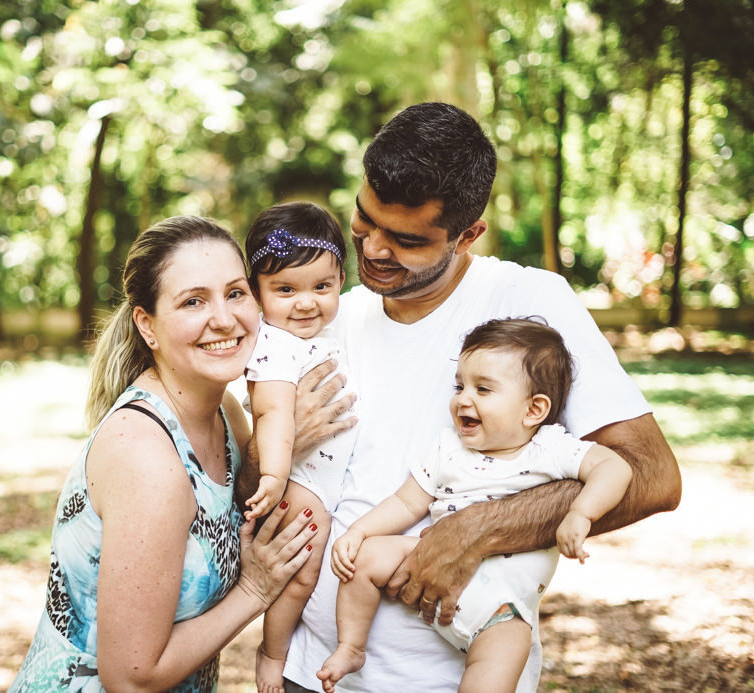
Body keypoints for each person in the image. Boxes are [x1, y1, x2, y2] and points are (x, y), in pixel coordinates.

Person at [259, 102, 681, 692]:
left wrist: (479, 529)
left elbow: (653, 476)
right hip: (312, 670)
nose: (374, 249)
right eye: (365, 218)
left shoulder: (529, 301)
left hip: (449, 678)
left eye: (405, 239)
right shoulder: (328, 317)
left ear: (468, 235)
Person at [7, 216, 320, 693]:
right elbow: (131, 677)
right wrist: (255, 590)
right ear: (146, 325)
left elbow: (233, 499)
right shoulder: (147, 459)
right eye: (193, 301)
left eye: (236, 293)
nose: (224, 318)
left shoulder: (227, 416)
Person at [318, 318, 632, 693]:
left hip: (501, 611)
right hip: (428, 561)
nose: (463, 398)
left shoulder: (550, 447)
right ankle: (351, 647)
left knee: (505, 652)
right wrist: (359, 531)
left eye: (483, 389)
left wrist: (582, 512)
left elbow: (614, 466)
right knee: (366, 557)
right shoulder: (448, 447)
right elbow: (407, 501)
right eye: (460, 385)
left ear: (533, 410)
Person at [240, 202, 359, 693]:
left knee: (310, 578)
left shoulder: (330, 332)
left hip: (319, 479)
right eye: (285, 290)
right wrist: (273, 475)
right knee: (300, 579)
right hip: (299, 482)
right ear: (257, 294)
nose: (306, 303)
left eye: (321, 287)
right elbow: (270, 412)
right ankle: (272, 656)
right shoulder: (273, 345)